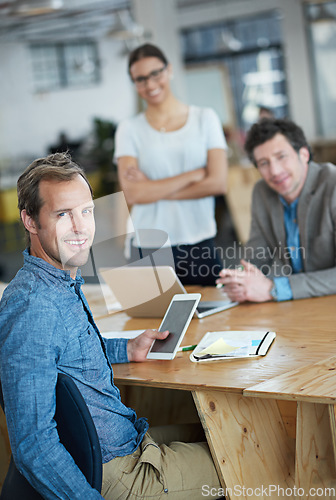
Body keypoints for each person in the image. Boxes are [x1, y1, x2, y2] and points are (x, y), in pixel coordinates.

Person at [0, 153, 222, 500]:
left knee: (224, 430)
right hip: (112, 471)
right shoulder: (32, 307)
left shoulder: (59, 282)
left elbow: (67, 358)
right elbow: (33, 446)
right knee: (248, 455)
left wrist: (127, 349)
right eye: (63, 214)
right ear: (30, 220)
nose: (80, 227)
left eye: (86, 211)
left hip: (125, 440)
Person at [115, 43, 228, 286]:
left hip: (199, 241)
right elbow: (133, 193)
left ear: (170, 70)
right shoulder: (129, 129)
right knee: (153, 322)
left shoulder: (205, 118)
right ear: (134, 83)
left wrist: (153, 190)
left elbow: (218, 183)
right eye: (141, 79)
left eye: (156, 73)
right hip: (149, 245)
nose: (151, 84)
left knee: (215, 318)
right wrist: (193, 175)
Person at [217, 118, 336, 303]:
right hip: (302, 307)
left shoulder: (332, 185)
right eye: (263, 163)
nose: (274, 171)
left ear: (303, 154)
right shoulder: (262, 192)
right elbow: (256, 258)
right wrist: (239, 280)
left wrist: (274, 289)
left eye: (281, 156)